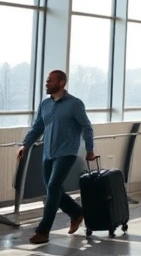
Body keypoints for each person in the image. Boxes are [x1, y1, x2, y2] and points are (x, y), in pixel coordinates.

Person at [18, 70, 96, 245]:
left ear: (61, 83)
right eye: (46, 81)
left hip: (67, 152)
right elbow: (37, 128)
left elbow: (87, 127)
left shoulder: (75, 104)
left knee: (53, 187)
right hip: (48, 154)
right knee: (54, 191)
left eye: (49, 81)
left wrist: (90, 149)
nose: (46, 83)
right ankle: (76, 212)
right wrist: (25, 145)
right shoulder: (45, 104)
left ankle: (43, 230)